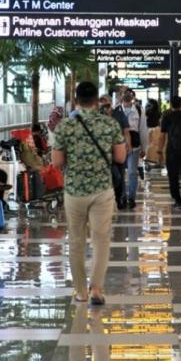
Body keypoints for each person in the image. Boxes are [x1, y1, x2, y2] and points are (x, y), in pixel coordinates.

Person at [52, 82, 127, 305]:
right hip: (102, 190)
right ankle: (96, 289)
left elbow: (56, 162)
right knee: (101, 239)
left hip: (74, 191)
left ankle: (81, 292)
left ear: (76, 100)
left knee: (76, 241)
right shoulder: (109, 124)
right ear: (97, 100)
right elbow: (121, 157)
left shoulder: (65, 126)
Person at [113, 93, 148, 210]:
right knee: (120, 173)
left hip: (135, 145)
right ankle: (122, 197)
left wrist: (144, 147)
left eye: (130, 95)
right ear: (122, 97)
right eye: (125, 94)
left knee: (132, 171)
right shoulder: (116, 109)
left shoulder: (139, 109)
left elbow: (143, 128)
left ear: (133, 97)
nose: (127, 97)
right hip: (119, 145)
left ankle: (131, 198)